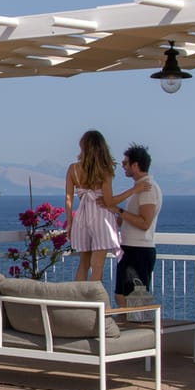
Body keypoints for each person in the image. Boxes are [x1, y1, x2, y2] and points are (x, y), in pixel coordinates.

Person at [107, 143, 161, 306]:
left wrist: (119, 211)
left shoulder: (147, 189)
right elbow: (127, 219)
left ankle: (140, 323)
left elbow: (145, 223)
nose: (123, 167)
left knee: (135, 300)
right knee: (121, 296)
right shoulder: (138, 189)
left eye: (125, 163)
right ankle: (126, 323)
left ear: (135, 165)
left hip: (139, 250)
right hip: (129, 249)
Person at [64, 130, 120, 283]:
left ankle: (78, 297)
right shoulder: (104, 170)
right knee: (97, 266)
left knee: (83, 264)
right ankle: (94, 298)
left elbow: (68, 198)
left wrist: (70, 223)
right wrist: (132, 191)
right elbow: (108, 200)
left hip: (82, 217)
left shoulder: (73, 169)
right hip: (101, 217)